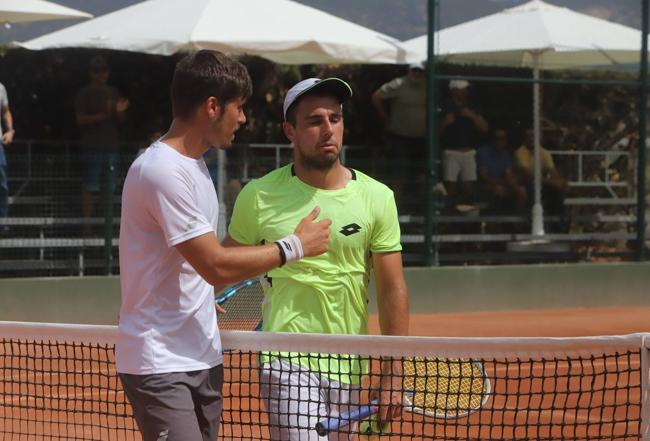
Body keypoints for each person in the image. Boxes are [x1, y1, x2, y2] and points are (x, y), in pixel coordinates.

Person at [117, 50, 331, 441]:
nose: (244, 118)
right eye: (239, 107)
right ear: (212, 107)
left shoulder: (196, 169)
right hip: (161, 362)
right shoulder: (161, 170)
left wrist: (199, 297)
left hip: (202, 355)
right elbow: (213, 265)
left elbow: (189, 264)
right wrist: (294, 247)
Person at [224, 77, 410, 440]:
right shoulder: (259, 195)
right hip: (286, 359)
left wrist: (394, 373)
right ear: (289, 130)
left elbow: (393, 290)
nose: (328, 129)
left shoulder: (378, 197)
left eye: (335, 118)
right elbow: (221, 265)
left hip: (350, 364)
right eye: (314, 120)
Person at [75, 55, 129, 225]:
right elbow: (80, 119)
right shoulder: (84, 93)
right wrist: (105, 114)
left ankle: (107, 225)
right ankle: (88, 223)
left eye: (103, 70)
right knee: (90, 186)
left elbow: (121, 120)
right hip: (92, 147)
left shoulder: (114, 92)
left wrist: (119, 111)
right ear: (91, 73)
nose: (101, 74)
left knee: (110, 187)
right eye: (97, 71)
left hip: (111, 146)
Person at [371, 63, 426, 207]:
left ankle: (420, 209)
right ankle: (395, 209)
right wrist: (385, 118)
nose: (417, 74)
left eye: (420, 71)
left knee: (422, 175)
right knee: (400, 174)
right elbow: (376, 96)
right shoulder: (398, 83)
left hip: (422, 138)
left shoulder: (429, 85)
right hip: (400, 136)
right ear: (409, 70)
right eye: (415, 70)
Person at [439, 79, 488, 208]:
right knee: (451, 186)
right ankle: (449, 215)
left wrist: (472, 116)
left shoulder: (473, 106)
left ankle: (466, 215)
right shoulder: (445, 106)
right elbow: (436, 132)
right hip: (451, 152)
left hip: (468, 152)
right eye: (462, 89)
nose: (465, 91)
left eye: (465, 88)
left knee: (469, 186)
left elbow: (484, 128)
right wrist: (445, 123)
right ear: (454, 90)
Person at [514, 128, 568, 229]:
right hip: (525, 183)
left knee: (558, 190)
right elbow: (527, 174)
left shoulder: (544, 153)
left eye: (533, 136)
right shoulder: (520, 152)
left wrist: (560, 181)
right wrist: (551, 182)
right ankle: (529, 223)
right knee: (531, 187)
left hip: (541, 184)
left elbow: (552, 171)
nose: (531, 139)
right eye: (529, 136)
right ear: (524, 138)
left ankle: (560, 224)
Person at [476, 128, 526, 211]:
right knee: (499, 190)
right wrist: (505, 182)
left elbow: (508, 174)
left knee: (521, 190)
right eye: (496, 138)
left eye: (502, 138)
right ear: (491, 139)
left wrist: (512, 182)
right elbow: (484, 178)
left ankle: (517, 221)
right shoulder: (483, 152)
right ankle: (495, 221)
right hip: (484, 185)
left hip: (501, 184)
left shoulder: (505, 154)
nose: (499, 141)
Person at [0, 81, 15, 224]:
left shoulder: (0, 88)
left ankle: (2, 222)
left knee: (2, 184)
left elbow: (5, 111)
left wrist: (10, 131)